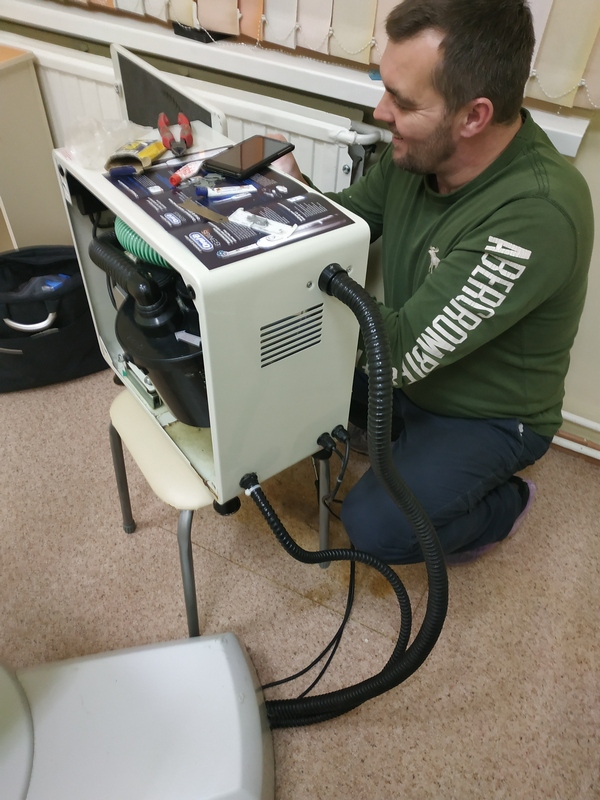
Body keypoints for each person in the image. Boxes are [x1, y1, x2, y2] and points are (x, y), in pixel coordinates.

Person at [274, 0, 594, 565]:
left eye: (402, 101)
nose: (381, 112)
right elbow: (344, 223)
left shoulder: (536, 213)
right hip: (414, 373)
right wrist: (285, 191)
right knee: (277, 375)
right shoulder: (419, 155)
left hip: (486, 416)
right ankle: (404, 444)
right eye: (384, 88)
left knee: (376, 528)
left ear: (473, 116)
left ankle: (507, 503)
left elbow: (396, 355)